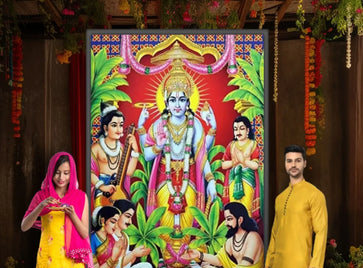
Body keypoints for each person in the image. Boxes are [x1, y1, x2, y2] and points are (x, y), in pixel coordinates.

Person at [137, 60, 217, 229]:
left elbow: (201, 155)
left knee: (188, 219)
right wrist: (158, 144)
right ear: (166, 103)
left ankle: (187, 255)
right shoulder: (159, 124)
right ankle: (167, 256)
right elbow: (148, 155)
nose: (178, 105)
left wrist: (210, 180)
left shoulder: (195, 124)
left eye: (182, 99)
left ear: (188, 102)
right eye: (173, 100)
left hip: (190, 177)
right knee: (165, 220)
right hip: (164, 177)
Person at [91, 102, 141, 208]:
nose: (119, 129)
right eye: (114, 125)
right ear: (105, 128)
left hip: (119, 192)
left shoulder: (122, 148)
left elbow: (129, 172)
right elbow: (89, 172)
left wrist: (135, 150)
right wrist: (102, 186)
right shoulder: (97, 148)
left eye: (121, 125)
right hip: (103, 192)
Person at [221, 116, 263, 230]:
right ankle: (235, 232)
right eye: (235, 129)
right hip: (234, 179)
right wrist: (236, 161)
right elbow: (224, 164)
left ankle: (247, 232)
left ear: (248, 130)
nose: (238, 132)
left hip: (247, 179)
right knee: (234, 208)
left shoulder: (253, 144)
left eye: (241, 128)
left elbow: (255, 165)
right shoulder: (231, 145)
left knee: (246, 207)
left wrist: (243, 161)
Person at [112, 199, 153, 268]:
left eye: (131, 218)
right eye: (127, 216)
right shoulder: (110, 236)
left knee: (148, 267)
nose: (130, 222)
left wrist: (137, 253)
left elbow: (125, 258)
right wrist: (133, 254)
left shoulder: (125, 236)